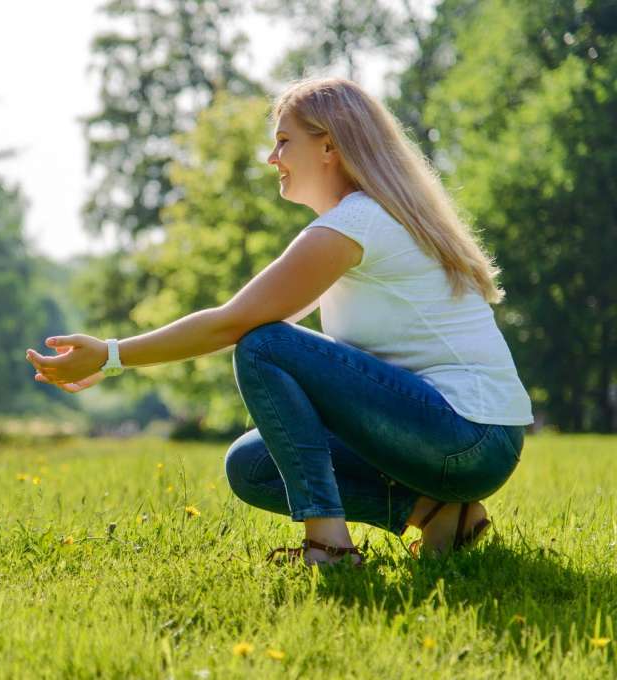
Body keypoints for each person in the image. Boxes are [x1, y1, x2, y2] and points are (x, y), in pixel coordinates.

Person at [27, 78, 532, 566]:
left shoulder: (355, 222)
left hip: (466, 436)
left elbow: (235, 325)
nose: (273, 159)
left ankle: (329, 548)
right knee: (253, 465)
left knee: (263, 345)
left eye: (284, 142)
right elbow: (242, 325)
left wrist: (114, 355)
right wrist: (114, 359)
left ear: (328, 146)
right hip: (475, 443)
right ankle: (438, 513)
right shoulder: (374, 217)